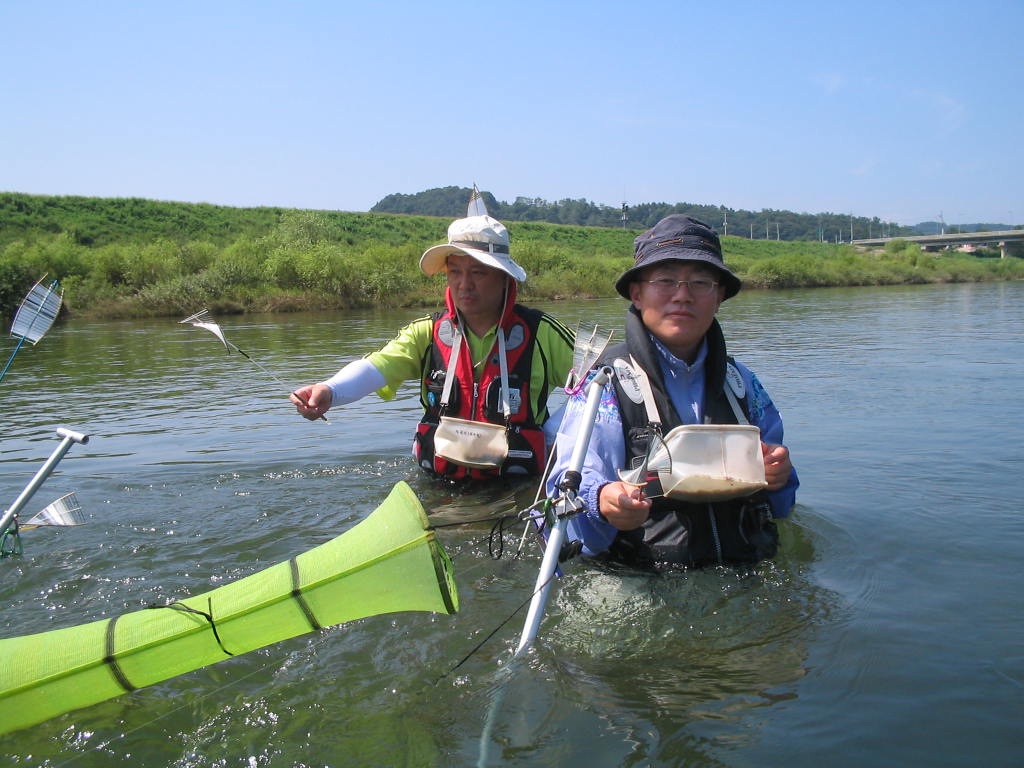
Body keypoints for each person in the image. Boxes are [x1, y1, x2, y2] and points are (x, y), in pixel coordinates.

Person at [545, 214, 798, 567]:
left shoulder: (742, 383)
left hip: (748, 566)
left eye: (700, 282)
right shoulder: (604, 384)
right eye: (665, 280)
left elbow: (783, 503)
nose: (682, 295)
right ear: (637, 293)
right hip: (641, 578)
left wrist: (778, 475)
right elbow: (570, 483)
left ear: (719, 295)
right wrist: (604, 499)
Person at [291, 196, 575, 481]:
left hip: (517, 489)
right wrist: (329, 391)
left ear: (504, 277)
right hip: (440, 485)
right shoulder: (426, 332)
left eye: (478, 272)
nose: (465, 284)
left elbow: (602, 388)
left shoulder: (543, 333)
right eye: (455, 272)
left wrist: (554, 436)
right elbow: (377, 366)